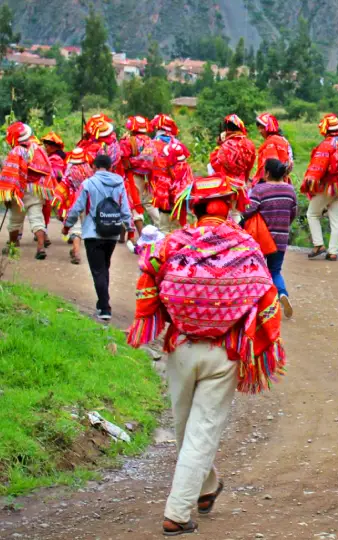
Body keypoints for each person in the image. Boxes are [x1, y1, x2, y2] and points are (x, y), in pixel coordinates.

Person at [126, 175, 286, 536]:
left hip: (181, 347)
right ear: (230, 205)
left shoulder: (172, 242)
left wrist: (152, 318)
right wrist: (266, 340)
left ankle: (189, 502)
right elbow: (265, 295)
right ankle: (192, 499)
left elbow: (148, 275)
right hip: (225, 351)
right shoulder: (246, 245)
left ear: (192, 207)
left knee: (188, 429)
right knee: (197, 432)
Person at [62, 154, 133, 320]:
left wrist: (67, 225)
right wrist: (130, 228)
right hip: (112, 233)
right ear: (110, 167)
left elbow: (77, 207)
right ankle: (103, 303)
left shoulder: (88, 183)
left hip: (93, 233)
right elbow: (125, 208)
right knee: (104, 268)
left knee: (98, 270)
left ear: (94, 166)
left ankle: (104, 307)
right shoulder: (120, 183)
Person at [242, 158, 298, 318]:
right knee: (275, 270)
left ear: (267, 173)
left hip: (260, 238)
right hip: (281, 238)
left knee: (255, 270)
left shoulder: (260, 189)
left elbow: (248, 210)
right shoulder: (290, 190)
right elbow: (293, 212)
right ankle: (282, 294)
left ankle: (255, 304)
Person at [301, 113, 338, 261]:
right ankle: (333, 252)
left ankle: (319, 244)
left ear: (326, 130)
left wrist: (308, 186)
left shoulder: (326, 145)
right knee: (336, 219)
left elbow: (317, 169)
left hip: (327, 187)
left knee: (312, 214)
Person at [0, 122, 55, 259]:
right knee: (37, 219)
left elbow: (10, 175)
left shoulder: (16, 151)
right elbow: (47, 170)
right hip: (36, 189)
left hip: (20, 191)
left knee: (15, 221)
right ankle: (40, 247)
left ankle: (12, 245)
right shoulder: (38, 149)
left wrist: (8, 196)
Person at [209, 114, 257, 222]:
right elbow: (249, 166)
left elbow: (214, 164)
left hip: (226, 185)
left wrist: (219, 145)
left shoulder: (226, 145)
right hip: (240, 185)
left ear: (226, 129)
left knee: (224, 214)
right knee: (236, 214)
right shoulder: (250, 144)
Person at [120, 115, 162, 240]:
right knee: (150, 203)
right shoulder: (149, 141)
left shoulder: (129, 141)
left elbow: (124, 160)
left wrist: (122, 141)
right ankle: (160, 228)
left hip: (133, 176)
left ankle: (140, 235)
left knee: (133, 203)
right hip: (148, 177)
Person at [53, 147, 95, 265]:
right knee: (86, 227)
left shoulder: (70, 170)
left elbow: (64, 184)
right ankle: (88, 253)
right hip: (88, 202)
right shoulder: (90, 170)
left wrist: (58, 200)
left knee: (75, 228)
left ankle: (76, 252)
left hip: (74, 201)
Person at [253, 113, 294, 184]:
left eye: (262, 127)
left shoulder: (270, 142)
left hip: (270, 183)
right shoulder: (284, 140)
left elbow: (270, 166)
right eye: (259, 128)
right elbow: (290, 164)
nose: (260, 131)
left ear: (270, 127)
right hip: (284, 181)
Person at [40, 131, 66, 231]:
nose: (45, 148)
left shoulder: (55, 158)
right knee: (56, 211)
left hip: (55, 188)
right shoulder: (55, 156)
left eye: (46, 146)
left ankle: (73, 230)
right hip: (55, 188)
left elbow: (54, 173)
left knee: (57, 211)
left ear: (52, 147)